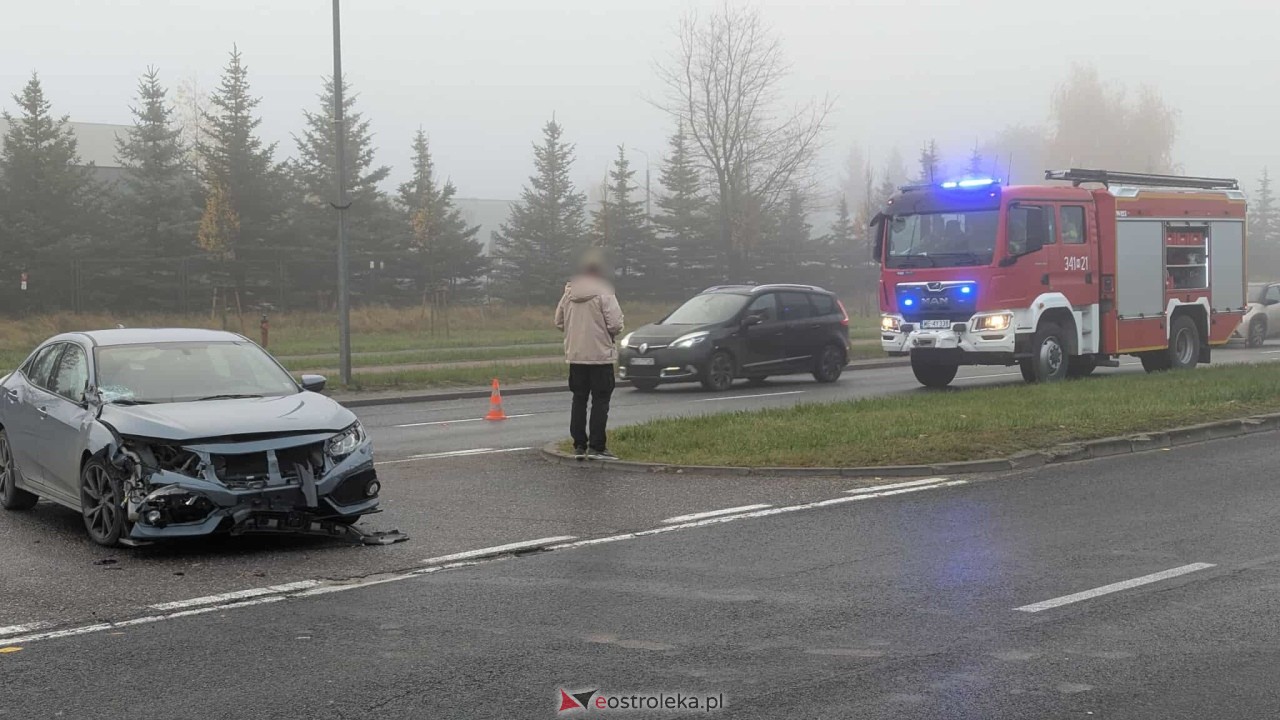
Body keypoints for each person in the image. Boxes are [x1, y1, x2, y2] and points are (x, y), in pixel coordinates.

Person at [554, 255, 625, 460]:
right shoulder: (604, 291)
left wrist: (574, 331)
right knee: (600, 401)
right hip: (600, 356)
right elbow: (615, 324)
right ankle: (597, 446)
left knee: (579, 399)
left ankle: (579, 445)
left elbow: (558, 321)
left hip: (576, 356)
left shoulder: (569, 293)